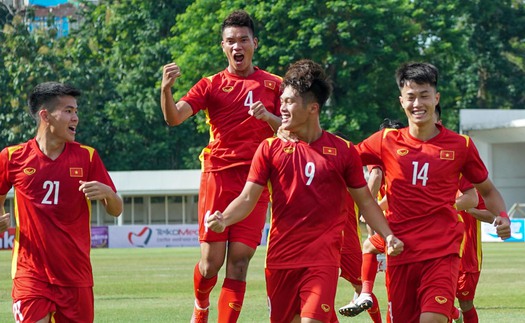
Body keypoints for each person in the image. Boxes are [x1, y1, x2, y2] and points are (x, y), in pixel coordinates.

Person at [207, 59, 404, 323]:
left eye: (289, 102)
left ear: (313, 108)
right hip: (279, 262)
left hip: (322, 261)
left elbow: (367, 203)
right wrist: (224, 219)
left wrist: (388, 235)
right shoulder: (269, 149)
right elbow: (246, 198)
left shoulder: (343, 151)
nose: (281, 108)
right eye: (282, 101)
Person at [355, 62, 511, 323]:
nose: (418, 103)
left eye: (424, 95)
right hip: (400, 254)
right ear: (401, 101)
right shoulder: (385, 141)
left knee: (433, 319)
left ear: (436, 98)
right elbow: (342, 158)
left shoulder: (460, 145)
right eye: (411, 97)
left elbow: (489, 191)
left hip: (442, 253)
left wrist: (503, 216)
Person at [159, 10, 282, 323]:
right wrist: (166, 90)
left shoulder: (275, 85)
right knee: (210, 264)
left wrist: (268, 117)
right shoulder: (210, 85)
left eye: (243, 39)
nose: (237, 45)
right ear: (223, 46)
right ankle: (201, 305)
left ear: (254, 43)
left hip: (255, 182)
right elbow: (174, 117)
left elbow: (293, 130)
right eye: (231, 41)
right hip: (218, 177)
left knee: (239, 263)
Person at [0, 82, 123, 322]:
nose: (75, 117)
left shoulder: (87, 156)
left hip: (76, 277)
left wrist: (108, 193)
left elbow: (116, 210)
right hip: (30, 275)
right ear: (45, 116)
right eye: (68, 111)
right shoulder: (13, 157)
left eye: (76, 111)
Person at [338, 118, 405, 322]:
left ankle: (364, 294)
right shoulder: (410, 152)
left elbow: (376, 176)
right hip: (403, 222)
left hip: (394, 223)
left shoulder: (383, 149)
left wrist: (367, 208)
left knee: (394, 283)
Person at [451, 178, 496, 323]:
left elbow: (490, 217)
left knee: (466, 303)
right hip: (444, 254)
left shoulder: (474, 189)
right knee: (440, 301)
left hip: (468, 258)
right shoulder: (439, 183)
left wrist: (469, 209)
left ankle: (458, 315)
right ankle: (456, 315)